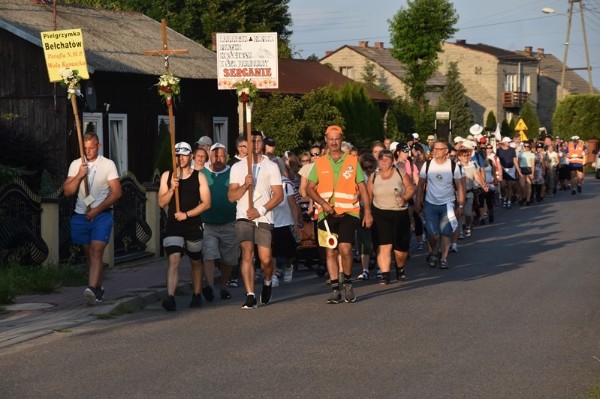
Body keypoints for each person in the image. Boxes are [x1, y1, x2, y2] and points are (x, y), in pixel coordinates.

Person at [306, 125, 373, 304]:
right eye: (331, 139)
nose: (334, 142)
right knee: (330, 250)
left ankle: (348, 282)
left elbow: (363, 188)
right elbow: (309, 188)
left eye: (337, 139)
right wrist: (322, 204)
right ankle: (335, 288)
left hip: (349, 212)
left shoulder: (352, 161)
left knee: (345, 249)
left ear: (341, 140)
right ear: (326, 140)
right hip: (326, 214)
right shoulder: (319, 163)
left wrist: (367, 212)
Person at [64, 132, 122, 305]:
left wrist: (97, 210)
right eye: (85, 148)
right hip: (82, 215)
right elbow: (68, 191)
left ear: (99, 146)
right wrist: (80, 175)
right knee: (89, 255)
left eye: (91, 147)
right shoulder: (76, 165)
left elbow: (117, 192)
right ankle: (98, 288)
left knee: (97, 251)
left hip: (101, 215)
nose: (88, 151)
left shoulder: (107, 164)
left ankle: (91, 289)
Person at [228, 131, 283, 309]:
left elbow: (279, 195)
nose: (256, 144)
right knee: (247, 254)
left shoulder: (271, 166)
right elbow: (231, 196)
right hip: (244, 215)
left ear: (263, 144)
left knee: (265, 259)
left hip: (264, 215)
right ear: (247, 144)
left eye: (259, 141)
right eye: (252, 141)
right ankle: (250, 294)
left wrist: (260, 210)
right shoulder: (237, 167)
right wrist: (245, 185)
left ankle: (267, 281)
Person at [158, 142, 211, 311]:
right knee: (173, 259)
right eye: (177, 155)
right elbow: (161, 202)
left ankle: (196, 294)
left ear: (191, 157)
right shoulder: (168, 176)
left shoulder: (199, 176)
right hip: (174, 225)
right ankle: (170, 297)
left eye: (184, 155)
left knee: (195, 261)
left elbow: (206, 203)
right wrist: (172, 189)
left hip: (192, 224)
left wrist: (187, 214)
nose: (180, 158)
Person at [415, 139, 465, 270]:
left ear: (446, 151)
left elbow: (460, 187)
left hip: (448, 204)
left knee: (445, 233)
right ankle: (432, 252)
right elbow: (421, 184)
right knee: (433, 234)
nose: (435, 151)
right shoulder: (427, 165)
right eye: (434, 149)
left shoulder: (453, 166)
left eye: (438, 149)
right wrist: (418, 202)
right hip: (430, 204)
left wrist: (460, 205)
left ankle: (443, 258)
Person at [198, 143, 239, 302]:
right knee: (208, 254)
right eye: (215, 155)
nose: (218, 159)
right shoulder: (202, 174)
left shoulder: (232, 173)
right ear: (210, 156)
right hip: (208, 223)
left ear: (226, 156)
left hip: (230, 222)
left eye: (221, 155)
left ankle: (223, 286)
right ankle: (209, 286)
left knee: (228, 259)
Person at [367, 149, 415, 284]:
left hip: (399, 213)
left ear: (392, 161)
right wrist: (367, 212)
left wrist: (404, 197)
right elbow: (368, 196)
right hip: (380, 213)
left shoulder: (400, 173)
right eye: (381, 158)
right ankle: (385, 274)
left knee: (400, 249)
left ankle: (400, 268)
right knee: (384, 245)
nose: (384, 161)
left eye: (387, 158)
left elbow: (411, 188)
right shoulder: (373, 177)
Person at [497, 137, 521, 208]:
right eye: (508, 142)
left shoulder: (512, 150)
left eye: (510, 142)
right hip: (502, 169)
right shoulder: (498, 150)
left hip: (511, 169)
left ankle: (509, 200)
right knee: (503, 186)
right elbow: (497, 160)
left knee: (509, 186)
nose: (509, 143)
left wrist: (518, 170)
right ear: (504, 142)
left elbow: (514, 160)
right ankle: (504, 197)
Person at [517, 140, 535, 206]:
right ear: (523, 146)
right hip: (522, 169)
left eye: (528, 146)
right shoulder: (520, 153)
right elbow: (518, 163)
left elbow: (533, 164)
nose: (526, 147)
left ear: (529, 146)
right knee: (522, 185)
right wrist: (518, 171)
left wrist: (532, 173)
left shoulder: (532, 154)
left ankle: (528, 200)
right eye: (525, 146)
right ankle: (523, 196)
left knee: (529, 185)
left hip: (529, 169)